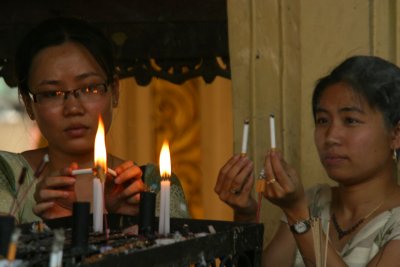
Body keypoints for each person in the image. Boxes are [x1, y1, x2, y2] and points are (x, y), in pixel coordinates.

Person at [0, 17, 189, 224]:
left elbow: (185, 255)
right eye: (52, 93)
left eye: (89, 88)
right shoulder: (8, 177)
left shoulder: (153, 185)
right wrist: (59, 224)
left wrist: (125, 222)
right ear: (28, 103)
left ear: (115, 91)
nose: (73, 108)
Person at [215, 55, 400, 266]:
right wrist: (246, 216)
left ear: (396, 134)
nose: (330, 136)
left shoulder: (304, 209)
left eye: (350, 120)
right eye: (322, 120)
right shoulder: (315, 201)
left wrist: (298, 215)